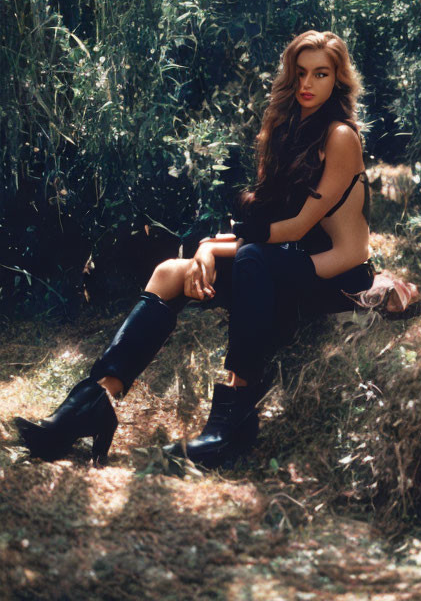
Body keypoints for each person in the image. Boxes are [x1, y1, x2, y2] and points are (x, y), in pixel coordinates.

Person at [15, 29, 374, 468]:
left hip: (337, 273)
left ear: (338, 80)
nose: (307, 84)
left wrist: (212, 247)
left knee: (251, 258)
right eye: (300, 73)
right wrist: (206, 248)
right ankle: (91, 402)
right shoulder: (287, 133)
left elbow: (296, 228)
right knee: (170, 272)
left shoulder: (340, 136)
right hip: (281, 264)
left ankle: (232, 420)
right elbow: (266, 227)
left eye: (320, 74)